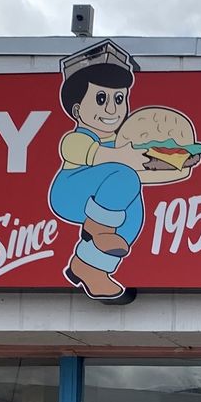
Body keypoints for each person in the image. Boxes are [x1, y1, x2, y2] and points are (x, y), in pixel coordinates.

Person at [48, 41, 151, 303]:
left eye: (119, 99)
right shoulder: (78, 138)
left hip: (101, 201)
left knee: (134, 217)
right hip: (70, 192)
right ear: (77, 110)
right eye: (101, 98)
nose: (111, 109)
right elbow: (81, 152)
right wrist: (121, 157)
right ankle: (98, 226)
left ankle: (89, 268)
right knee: (125, 176)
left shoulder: (122, 143)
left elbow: (133, 162)